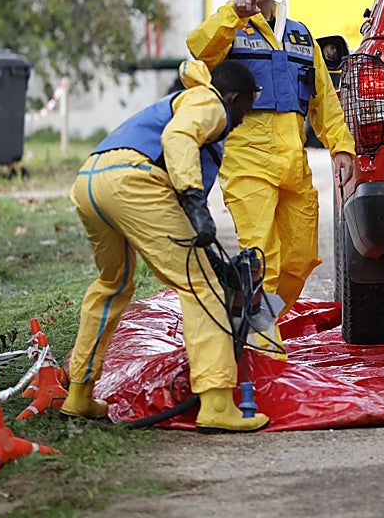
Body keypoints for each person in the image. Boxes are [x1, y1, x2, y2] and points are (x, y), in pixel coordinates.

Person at [63, 59, 270, 433]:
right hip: (134, 183)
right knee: (201, 286)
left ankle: (78, 394)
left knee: (113, 285)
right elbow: (177, 139)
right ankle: (217, 402)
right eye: (247, 107)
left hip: (91, 181)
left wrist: (204, 242)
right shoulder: (209, 102)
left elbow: (174, 211)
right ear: (235, 98)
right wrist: (193, 199)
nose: (244, 117)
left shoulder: (179, 102)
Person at [187, 0, 356, 355]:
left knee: (299, 259)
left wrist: (341, 147)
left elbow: (323, 101)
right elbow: (198, 48)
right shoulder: (227, 30)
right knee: (262, 257)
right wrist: (233, 14)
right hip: (249, 163)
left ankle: (252, 322)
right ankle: (264, 346)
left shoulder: (300, 36)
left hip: (294, 166)